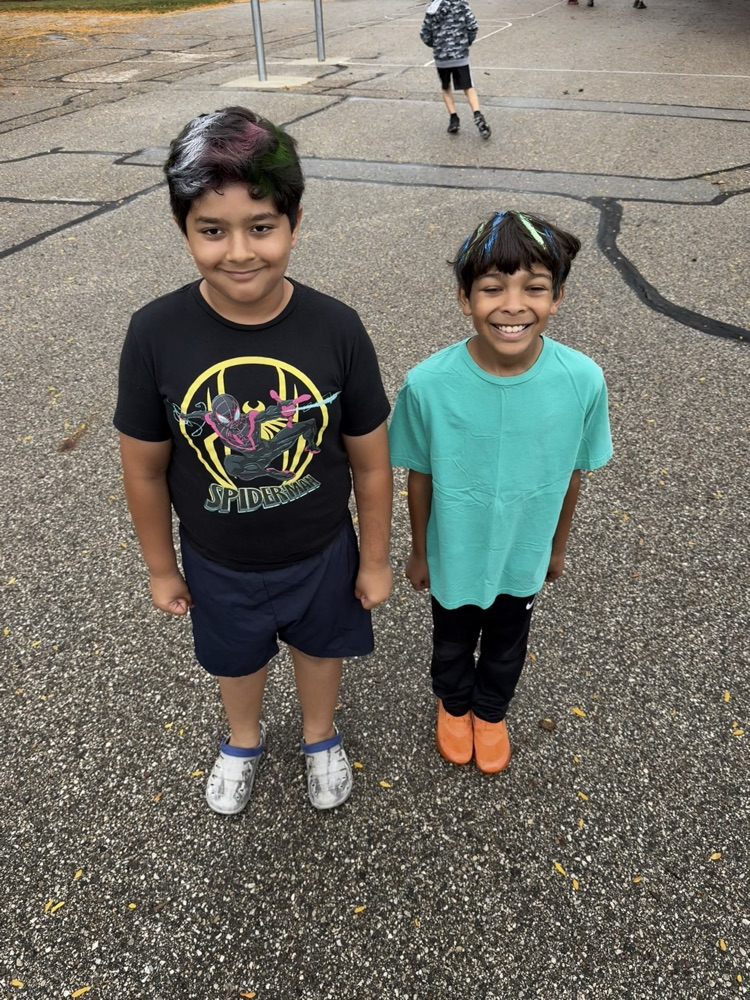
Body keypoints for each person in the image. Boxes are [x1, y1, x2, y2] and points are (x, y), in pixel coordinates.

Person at [114, 107, 392, 815]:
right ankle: (242, 739)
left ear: (295, 222)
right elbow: (144, 468)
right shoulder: (154, 333)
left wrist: (376, 558)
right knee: (234, 660)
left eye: (261, 227)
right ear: (184, 230)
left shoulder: (337, 327)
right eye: (212, 230)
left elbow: (369, 461)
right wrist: (160, 565)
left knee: (320, 649)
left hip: (324, 550)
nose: (239, 251)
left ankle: (320, 736)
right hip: (216, 559)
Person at [388, 210, 612, 774]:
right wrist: (419, 551)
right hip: (455, 554)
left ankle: (490, 711)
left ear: (556, 297)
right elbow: (419, 474)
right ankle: (454, 703)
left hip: (524, 551)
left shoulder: (582, 379)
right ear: (465, 298)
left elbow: (573, 473)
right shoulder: (427, 384)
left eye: (534, 288)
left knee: (510, 641)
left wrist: (557, 547)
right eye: (492, 288)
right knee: (451, 640)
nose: (513, 305)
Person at [420, 0, 491, 139]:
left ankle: (453, 118)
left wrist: (436, 44)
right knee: (468, 87)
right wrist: (466, 42)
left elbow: (425, 32)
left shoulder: (432, 7)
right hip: (460, 53)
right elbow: (472, 26)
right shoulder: (462, 4)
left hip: (441, 56)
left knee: (446, 87)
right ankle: (477, 115)